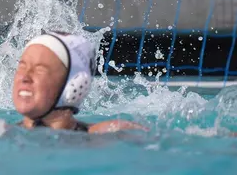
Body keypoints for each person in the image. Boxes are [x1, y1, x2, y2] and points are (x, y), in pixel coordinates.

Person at [13, 31, 145, 134]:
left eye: (40, 70)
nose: (25, 77)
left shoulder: (116, 133)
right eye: (22, 66)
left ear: (74, 83)